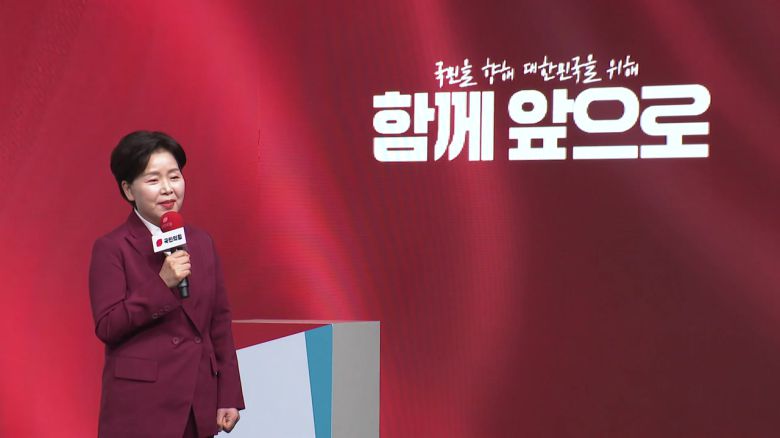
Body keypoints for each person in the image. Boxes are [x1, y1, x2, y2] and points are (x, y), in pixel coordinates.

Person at [88, 131, 245, 438]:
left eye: (174, 176)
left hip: (197, 402)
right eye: (153, 180)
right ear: (128, 189)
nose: (167, 189)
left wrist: (228, 393)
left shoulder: (201, 242)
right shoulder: (112, 247)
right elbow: (108, 325)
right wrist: (162, 284)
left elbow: (219, 323)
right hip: (141, 409)